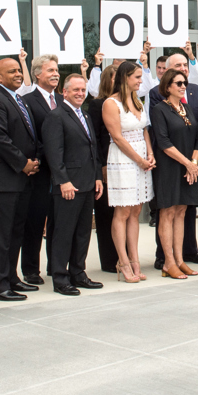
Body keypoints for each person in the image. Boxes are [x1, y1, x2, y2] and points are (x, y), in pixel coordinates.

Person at [0, 58, 44, 301]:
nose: (18, 74)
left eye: (19, 70)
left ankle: (11, 277)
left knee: (16, 232)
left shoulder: (19, 100)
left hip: (21, 179)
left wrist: (35, 159)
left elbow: (29, 135)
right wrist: (22, 163)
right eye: (12, 71)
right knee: (0, 236)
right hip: (1, 181)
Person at [42, 74, 105, 296]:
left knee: (82, 232)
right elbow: (53, 153)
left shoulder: (85, 115)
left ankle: (78, 273)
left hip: (87, 184)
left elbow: (93, 150)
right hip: (69, 186)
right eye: (75, 90)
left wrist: (98, 176)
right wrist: (63, 182)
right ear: (65, 92)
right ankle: (60, 277)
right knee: (64, 233)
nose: (80, 93)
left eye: (83, 89)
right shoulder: (56, 116)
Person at [148, 51, 198, 271]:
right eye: (178, 83)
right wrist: (188, 163)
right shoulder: (159, 109)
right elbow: (163, 142)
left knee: (182, 211)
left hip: (188, 168)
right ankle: (168, 262)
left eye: (184, 82)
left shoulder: (187, 108)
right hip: (169, 167)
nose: (184, 85)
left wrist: (193, 162)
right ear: (167, 86)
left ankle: (180, 259)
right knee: (167, 212)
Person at [103, 61, 155, 282]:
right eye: (137, 77)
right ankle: (123, 262)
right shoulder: (110, 103)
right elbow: (117, 137)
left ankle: (135, 261)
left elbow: (144, 130)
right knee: (122, 212)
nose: (140, 81)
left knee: (135, 212)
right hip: (123, 160)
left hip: (142, 159)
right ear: (125, 78)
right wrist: (138, 160)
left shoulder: (138, 101)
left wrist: (150, 154)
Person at [16, 51, 59, 284]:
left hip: (60, 173)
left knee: (57, 220)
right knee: (34, 221)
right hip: (39, 172)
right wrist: (43, 157)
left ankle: (56, 265)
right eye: (51, 70)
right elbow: (29, 137)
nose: (55, 74)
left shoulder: (62, 100)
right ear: (37, 74)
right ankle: (31, 269)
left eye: (56, 71)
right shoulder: (27, 102)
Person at [85, 66, 119, 274]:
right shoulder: (97, 104)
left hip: (123, 165)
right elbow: (95, 139)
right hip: (106, 166)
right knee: (106, 214)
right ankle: (109, 260)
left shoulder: (126, 103)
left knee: (122, 214)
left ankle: (124, 256)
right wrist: (100, 167)